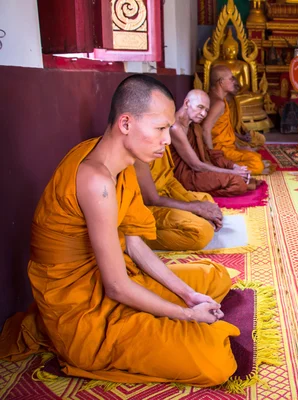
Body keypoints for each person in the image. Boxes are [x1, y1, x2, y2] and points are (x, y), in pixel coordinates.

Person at [0, 75, 239, 385]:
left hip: (114, 275)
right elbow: (116, 287)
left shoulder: (119, 163)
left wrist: (187, 294)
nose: (167, 141)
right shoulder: (95, 181)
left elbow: (135, 245)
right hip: (84, 310)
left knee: (212, 277)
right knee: (214, 361)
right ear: (126, 123)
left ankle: (175, 304)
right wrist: (187, 315)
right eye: (160, 129)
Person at [170, 89, 260, 197]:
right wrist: (232, 172)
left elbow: (208, 154)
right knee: (237, 182)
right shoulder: (175, 128)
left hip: (201, 168)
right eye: (200, 107)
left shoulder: (195, 127)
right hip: (187, 176)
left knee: (236, 174)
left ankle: (220, 180)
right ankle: (196, 190)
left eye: (206, 110)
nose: (203, 114)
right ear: (187, 103)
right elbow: (196, 165)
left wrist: (234, 166)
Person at [134, 146, 223, 251]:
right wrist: (197, 208)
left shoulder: (160, 141)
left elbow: (168, 179)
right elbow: (151, 199)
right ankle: (140, 238)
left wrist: (195, 205)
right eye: (160, 129)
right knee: (201, 232)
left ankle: (195, 216)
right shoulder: (137, 151)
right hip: (144, 206)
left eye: (167, 129)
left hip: (164, 193)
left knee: (206, 199)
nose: (167, 139)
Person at [202, 65, 271, 175]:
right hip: (219, 150)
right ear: (221, 82)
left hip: (227, 146)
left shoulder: (220, 99)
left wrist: (239, 146)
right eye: (231, 78)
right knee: (256, 164)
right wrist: (213, 156)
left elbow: (226, 128)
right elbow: (205, 128)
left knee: (253, 154)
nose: (234, 81)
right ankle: (227, 168)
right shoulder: (218, 103)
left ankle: (232, 164)